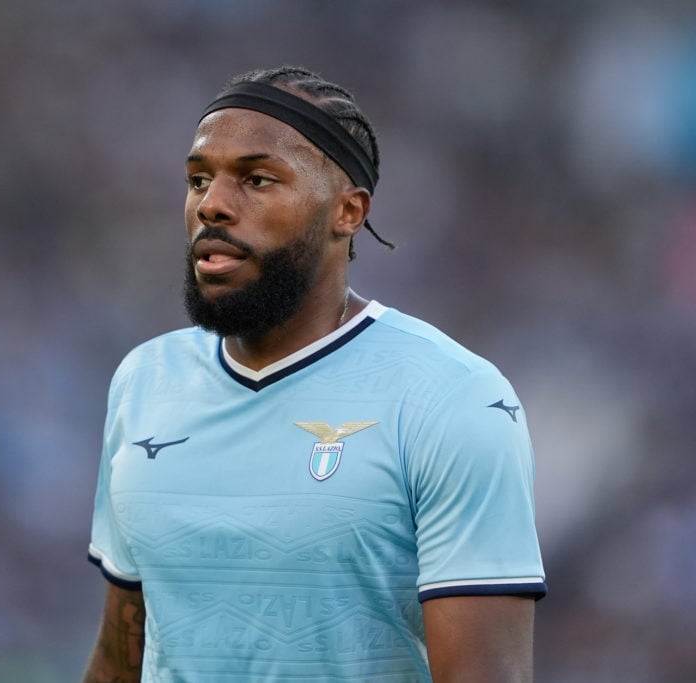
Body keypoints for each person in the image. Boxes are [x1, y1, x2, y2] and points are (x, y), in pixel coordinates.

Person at [83, 66, 546, 682]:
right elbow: (123, 657)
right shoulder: (145, 381)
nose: (212, 205)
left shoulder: (452, 397)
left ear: (348, 212)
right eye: (198, 179)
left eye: (256, 179)